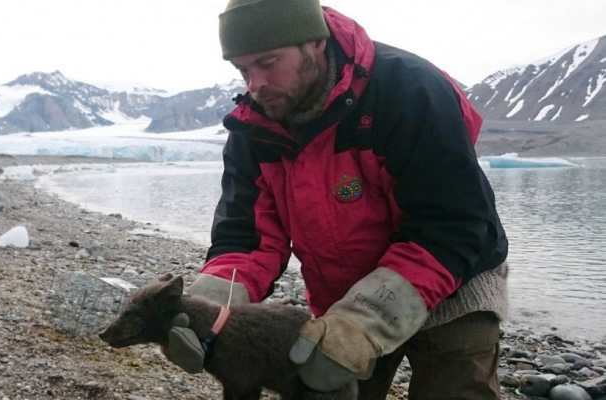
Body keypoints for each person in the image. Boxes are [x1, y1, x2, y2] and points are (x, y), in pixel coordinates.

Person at [165, 0, 509, 398]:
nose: (255, 84)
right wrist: (206, 312)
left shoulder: (409, 91)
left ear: (314, 42)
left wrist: (364, 323)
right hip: (345, 294)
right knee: (323, 386)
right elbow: (247, 239)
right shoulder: (253, 127)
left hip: (455, 281)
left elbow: (453, 226)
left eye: (268, 62)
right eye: (243, 70)